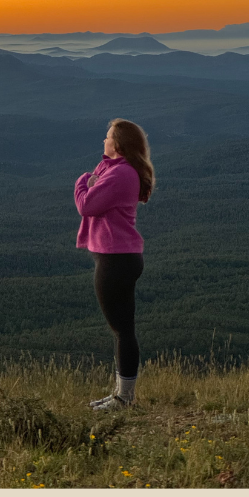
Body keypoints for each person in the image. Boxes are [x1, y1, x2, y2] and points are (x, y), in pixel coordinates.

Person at [74, 119, 155, 411]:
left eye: (108, 137)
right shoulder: (116, 170)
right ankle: (122, 395)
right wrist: (94, 178)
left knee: (122, 330)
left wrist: (82, 181)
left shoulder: (120, 174)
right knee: (123, 329)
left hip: (115, 260)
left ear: (118, 145)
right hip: (121, 258)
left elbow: (86, 205)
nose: (104, 141)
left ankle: (125, 399)